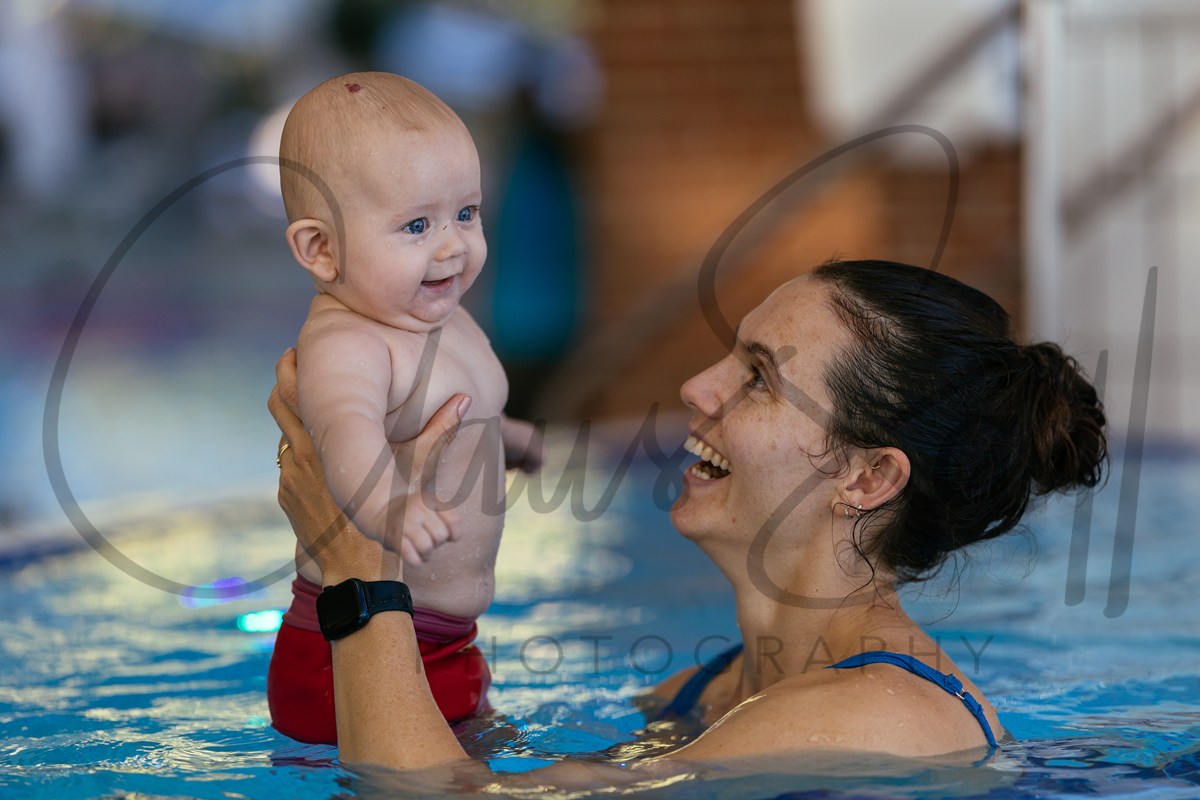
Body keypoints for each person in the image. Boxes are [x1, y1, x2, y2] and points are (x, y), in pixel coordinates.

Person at [268, 260, 1106, 780]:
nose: (698, 387)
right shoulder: (706, 697)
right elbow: (484, 780)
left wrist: (358, 568)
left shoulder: (883, 716)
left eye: (758, 378)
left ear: (867, 477)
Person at [266, 71, 540, 745]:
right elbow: (346, 429)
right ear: (321, 250)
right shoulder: (348, 342)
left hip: (447, 639)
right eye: (417, 225)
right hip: (348, 646)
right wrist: (389, 504)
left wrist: (509, 438)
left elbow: (462, 416)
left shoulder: (442, 319)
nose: (452, 246)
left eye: (466, 214)